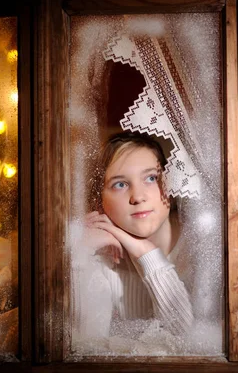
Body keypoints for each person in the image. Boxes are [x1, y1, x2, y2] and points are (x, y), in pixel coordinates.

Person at [71, 131, 194, 344]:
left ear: (171, 185)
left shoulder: (200, 247)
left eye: (151, 178)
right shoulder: (102, 258)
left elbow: (187, 341)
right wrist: (78, 254)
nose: (138, 196)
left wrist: (147, 254)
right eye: (120, 184)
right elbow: (85, 343)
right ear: (100, 200)